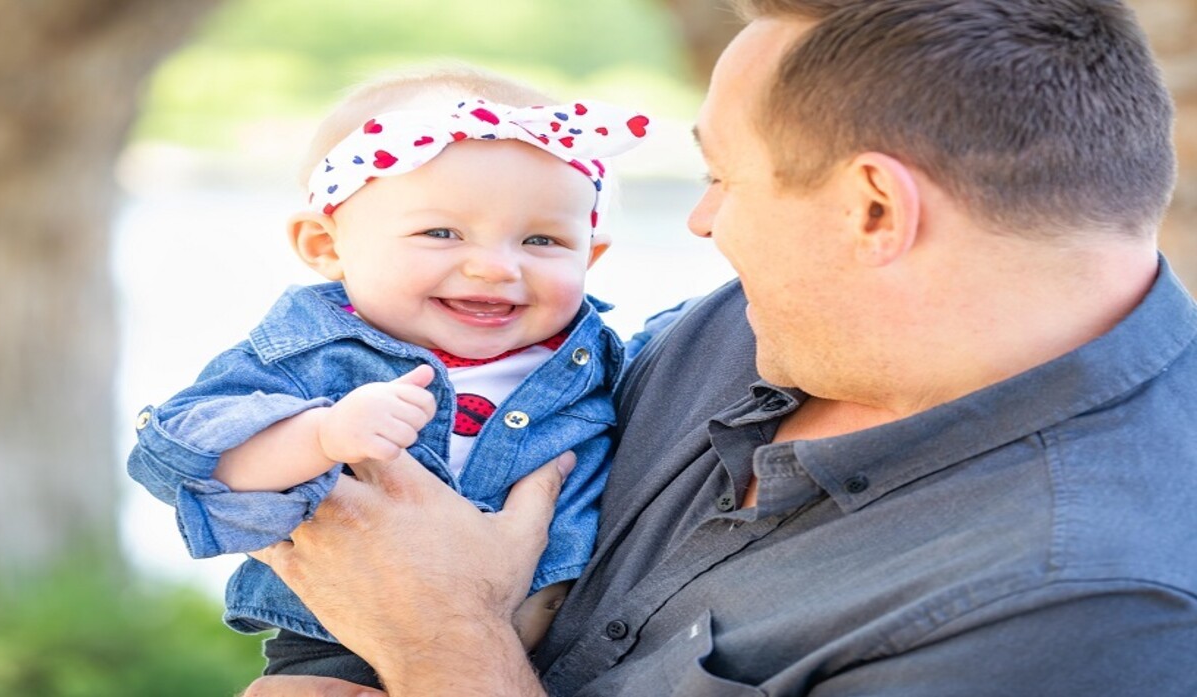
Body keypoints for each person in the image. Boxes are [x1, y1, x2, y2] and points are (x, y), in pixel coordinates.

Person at [243, 1, 1197, 695]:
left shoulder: (1086, 609)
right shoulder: (753, 326)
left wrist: (442, 639)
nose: (702, 222)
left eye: (720, 175)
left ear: (874, 210)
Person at [126, 64, 651, 686]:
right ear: (326, 246)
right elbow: (188, 456)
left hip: (573, 651)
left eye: (541, 241)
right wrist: (318, 437)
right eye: (440, 232)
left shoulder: (598, 356)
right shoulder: (313, 352)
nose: (494, 268)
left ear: (591, 257)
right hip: (342, 645)